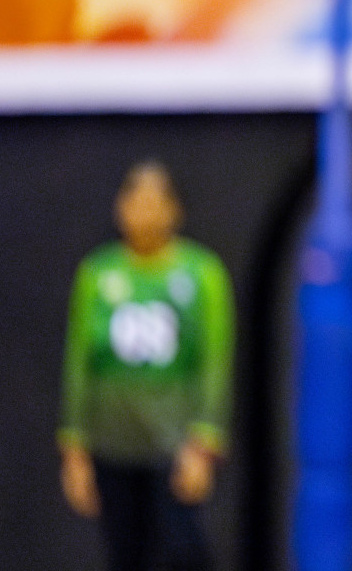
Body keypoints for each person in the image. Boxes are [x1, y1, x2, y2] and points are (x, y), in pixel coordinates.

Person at [59, 160, 234, 571]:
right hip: (114, 442)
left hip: (173, 441)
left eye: (155, 203)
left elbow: (215, 362)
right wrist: (75, 448)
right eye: (136, 202)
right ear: (121, 208)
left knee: (182, 549)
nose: (145, 213)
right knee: (125, 552)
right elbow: (80, 364)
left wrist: (204, 442)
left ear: (175, 210)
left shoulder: (200, 272)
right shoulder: (98, 272)